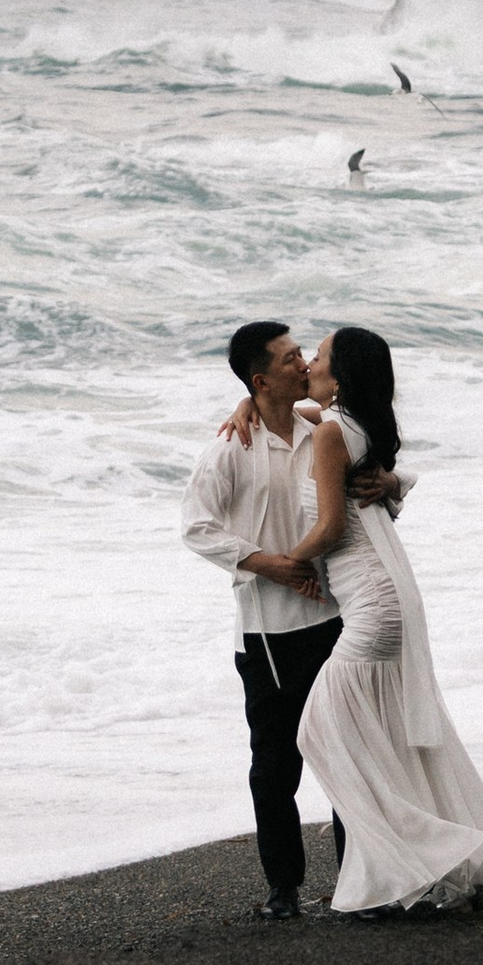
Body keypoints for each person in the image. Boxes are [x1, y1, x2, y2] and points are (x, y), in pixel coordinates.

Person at [223, 323, 483, 919]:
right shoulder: (344, 422)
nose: (309, 360)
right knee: (372, 734)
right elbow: (288, 408)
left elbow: (334, 526)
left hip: (371, 602)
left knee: (321, 731)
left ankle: (425, 853)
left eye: (320, 356)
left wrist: (285, 565)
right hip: (378, 592)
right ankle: (405, 867)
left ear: (339, 376)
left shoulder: (335, 430)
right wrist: (245, 401)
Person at [180, 320, 405, 923]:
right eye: (289, 358)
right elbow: (196, 527)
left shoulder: (318, 428)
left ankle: (360, 883)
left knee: (346, 753)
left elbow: (369, 500)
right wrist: (268, 566)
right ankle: (284, 888)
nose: (303, 362)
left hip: (336, 618)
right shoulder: (231, 446)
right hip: (268, 632)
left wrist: (392, 485)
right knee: (276, 766)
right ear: (261, 379)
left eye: (304, 353)